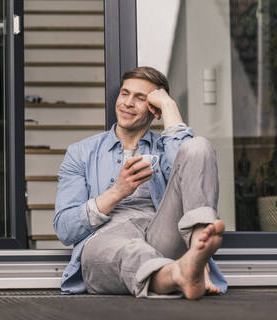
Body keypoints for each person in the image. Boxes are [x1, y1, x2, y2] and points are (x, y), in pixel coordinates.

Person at [54, 66, 227, 299]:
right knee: (131, 250)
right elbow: (65, 229)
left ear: (153, 109)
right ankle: (179, 273)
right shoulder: (81, 153)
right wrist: (117, 191)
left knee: (198, 146)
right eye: (124, 93)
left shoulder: (165, 148)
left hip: (160, 233)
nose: (127, 103)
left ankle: (198, 253)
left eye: (140, 98)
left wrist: (169, 107)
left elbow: (192, 168)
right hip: (108, 238)